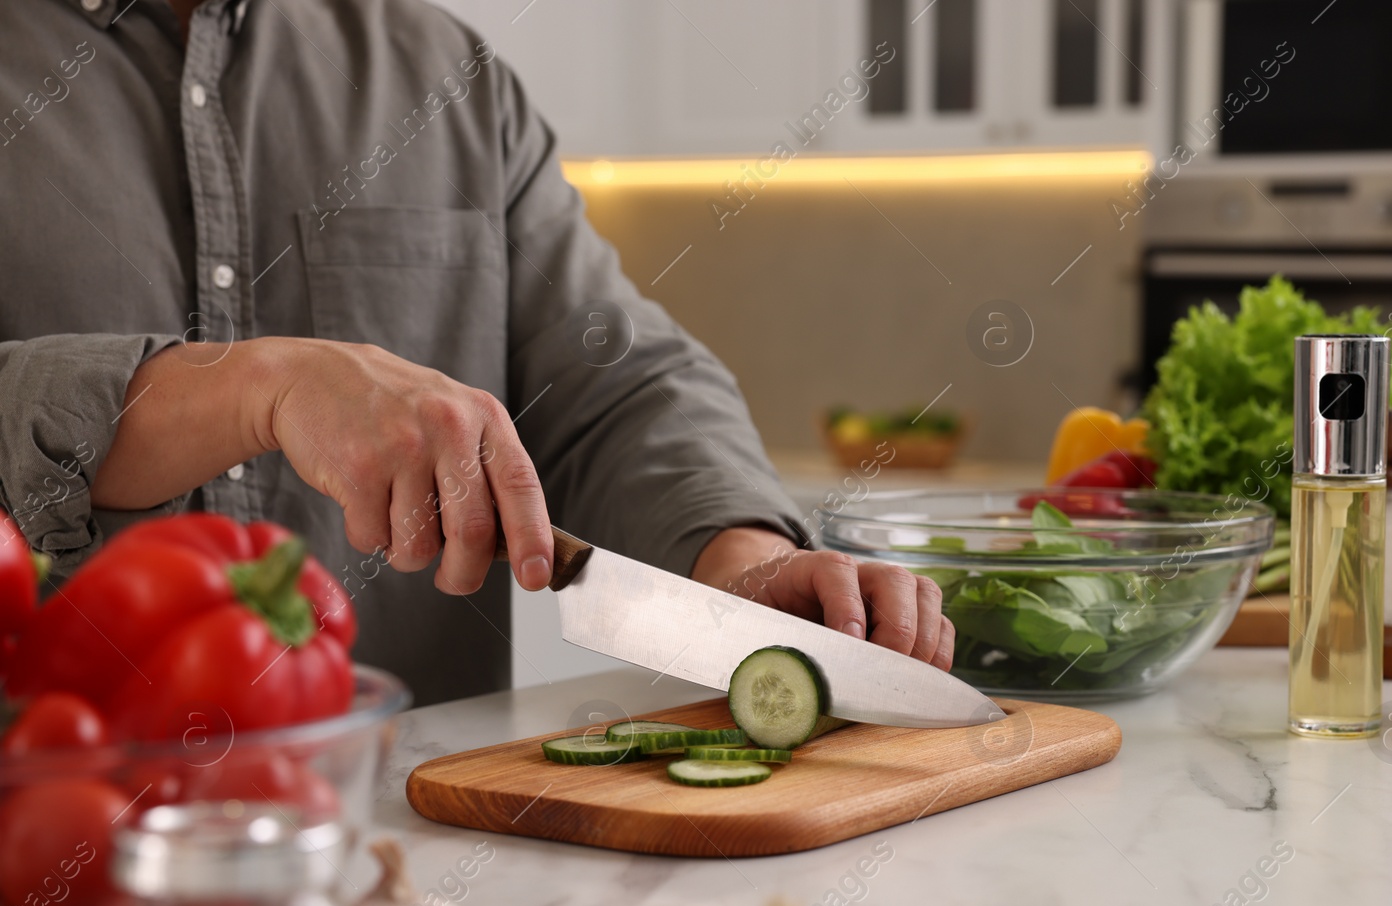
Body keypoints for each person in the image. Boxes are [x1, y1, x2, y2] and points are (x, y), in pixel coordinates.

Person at [0, 0, 954, 706]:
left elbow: (613, 382)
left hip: (406, 860)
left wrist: (740, 559)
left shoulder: (447, 75)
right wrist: (253, 387)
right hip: (52, 846)